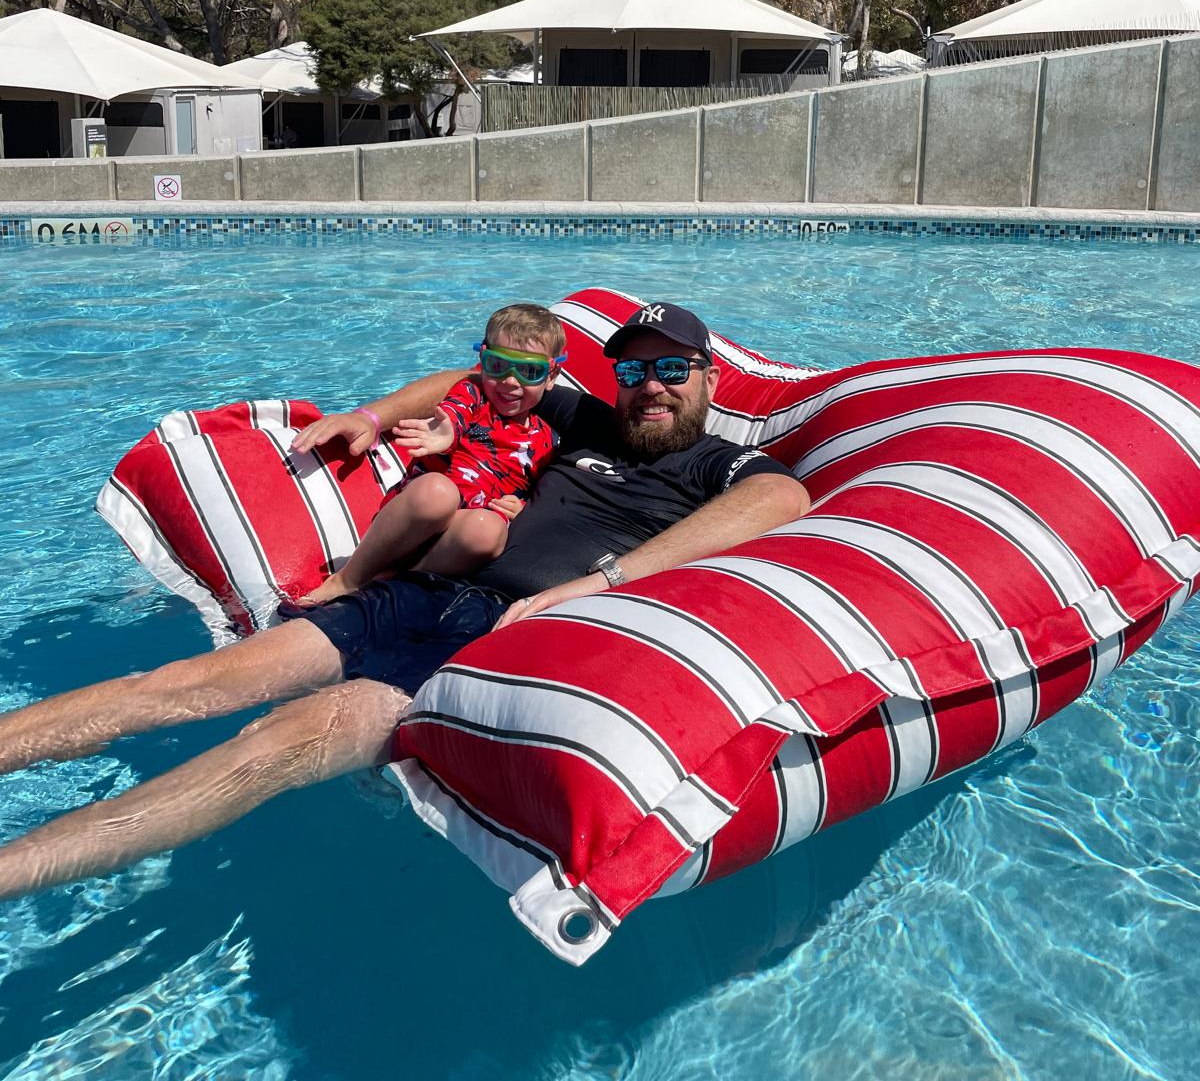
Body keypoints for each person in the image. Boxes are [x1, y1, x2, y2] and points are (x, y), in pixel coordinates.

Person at [0, 302, 810, 902]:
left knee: (271, 743)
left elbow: (785, 501)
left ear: (706, 378)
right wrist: (372, 415)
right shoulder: (586, 419)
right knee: (175, 687)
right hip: (421, 591)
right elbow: (473, 379)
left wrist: (595, 586)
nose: (651, 388)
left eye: (673, 370)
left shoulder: (718, 466)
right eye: (635, 370)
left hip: (487, 642)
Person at [296, 302, 565, 603]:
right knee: (439, 491)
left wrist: (521, 508)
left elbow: (540, 491)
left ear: (552, 375)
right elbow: (455, 408)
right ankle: (348, 579)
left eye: (530, 371)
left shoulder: (548, 440)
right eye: (498, 365)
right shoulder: (473, 395)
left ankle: (395, 581)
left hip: (452, 545)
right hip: (415, 516)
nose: (511, 381)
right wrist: (447, 428)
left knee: (487, 530)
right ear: (482, 360)